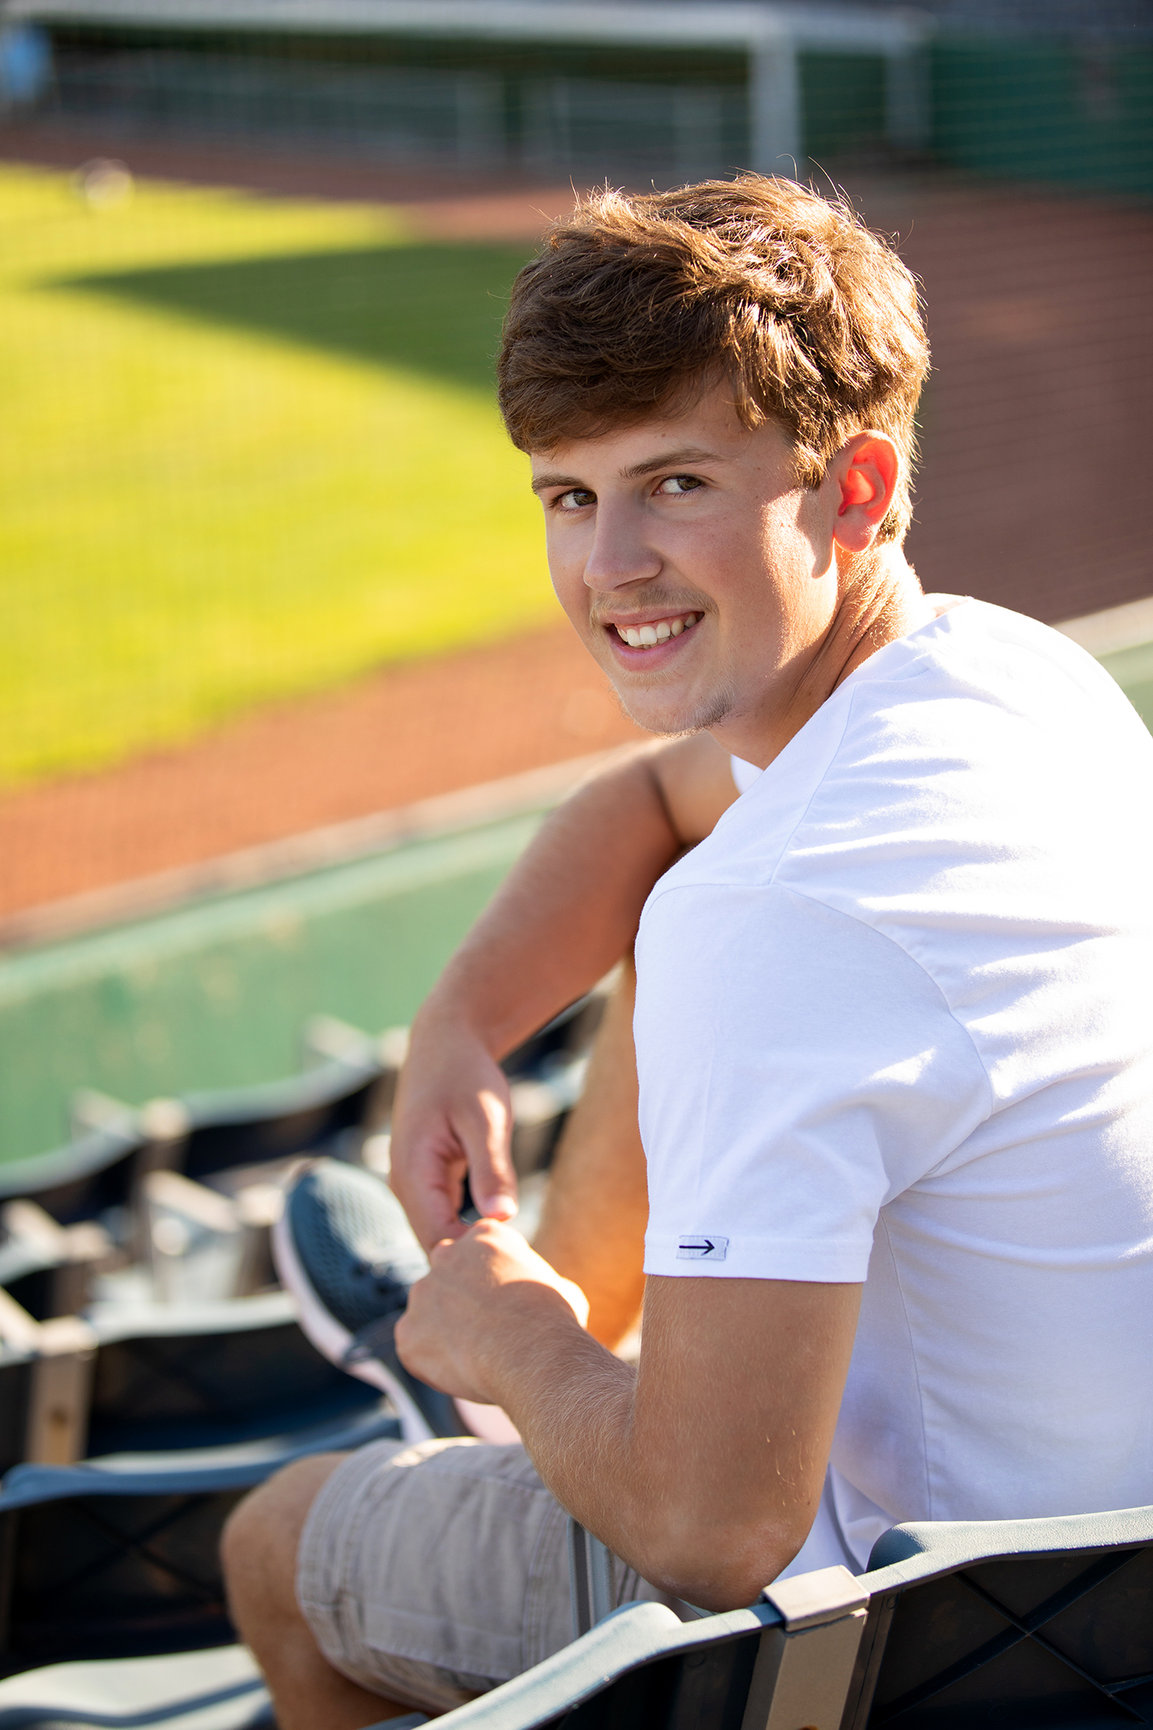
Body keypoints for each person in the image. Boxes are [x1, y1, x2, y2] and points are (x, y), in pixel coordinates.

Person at [221, 175, 1153, 1727]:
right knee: (686, 907)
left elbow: (714, 1534)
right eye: (568, 498)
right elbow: (668, 798)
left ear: (853, 491)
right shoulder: (1017, 676)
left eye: (674, 486)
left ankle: (487, 1359)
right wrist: (461, 1022)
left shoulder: (779, 913)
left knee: (275, 1546)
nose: (608, 568)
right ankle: (536, 1364)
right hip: (1105, 1566)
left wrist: (511, 1334)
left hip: (904, 1641)